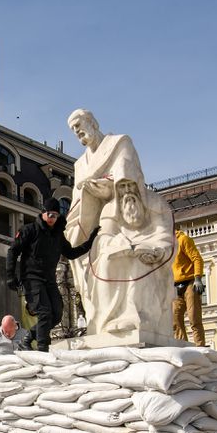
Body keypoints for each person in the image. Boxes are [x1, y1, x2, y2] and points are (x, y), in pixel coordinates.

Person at [64, 108, 175, 340]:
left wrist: (155, 249)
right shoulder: (80, 165)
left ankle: (135, 317)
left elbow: (126, 173)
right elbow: (82, 209)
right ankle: (108, 321)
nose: (78, 132)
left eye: (80, 126)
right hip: (101, 221)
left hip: (142, 240)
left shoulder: (119, 143)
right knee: (104, 260)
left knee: (136, 263)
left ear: (92, 122)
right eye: (74, 130)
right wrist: (89, 192)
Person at [6, 198, 99, 351]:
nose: (52, 218)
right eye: (49, 214)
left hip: (49, 280)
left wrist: (90, 241)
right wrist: (10, 275)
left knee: (56, 314)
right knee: (44, 312)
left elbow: (71, 253)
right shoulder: (30, 230)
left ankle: (27, 338)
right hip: (31, 278)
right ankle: (43, 348)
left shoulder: (58, 236)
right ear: (43, 213)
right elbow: (13, 251)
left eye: (55, 215)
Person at [172, 229, 206, 346]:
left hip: (190, 282)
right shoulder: (165, 246)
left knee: (194, 317)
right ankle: (182, 346)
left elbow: (197, 259)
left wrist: (198, 278)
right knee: (175, 319)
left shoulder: (183, 240)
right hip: (175, 286)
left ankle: (200, 346)